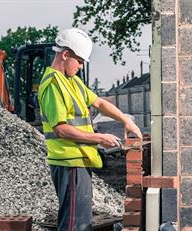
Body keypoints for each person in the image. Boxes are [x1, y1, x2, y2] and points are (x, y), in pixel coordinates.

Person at [37, 28, 142, 231]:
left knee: (80, 221)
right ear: (65, 54)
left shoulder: (72, 81)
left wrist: (125, 120)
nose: (81, 66)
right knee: (74, 225)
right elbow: (61, 129)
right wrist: (98, 138)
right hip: (69, 161)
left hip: (79, 160)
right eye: (79, 60)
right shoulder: (52, 85)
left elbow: (99, 103)